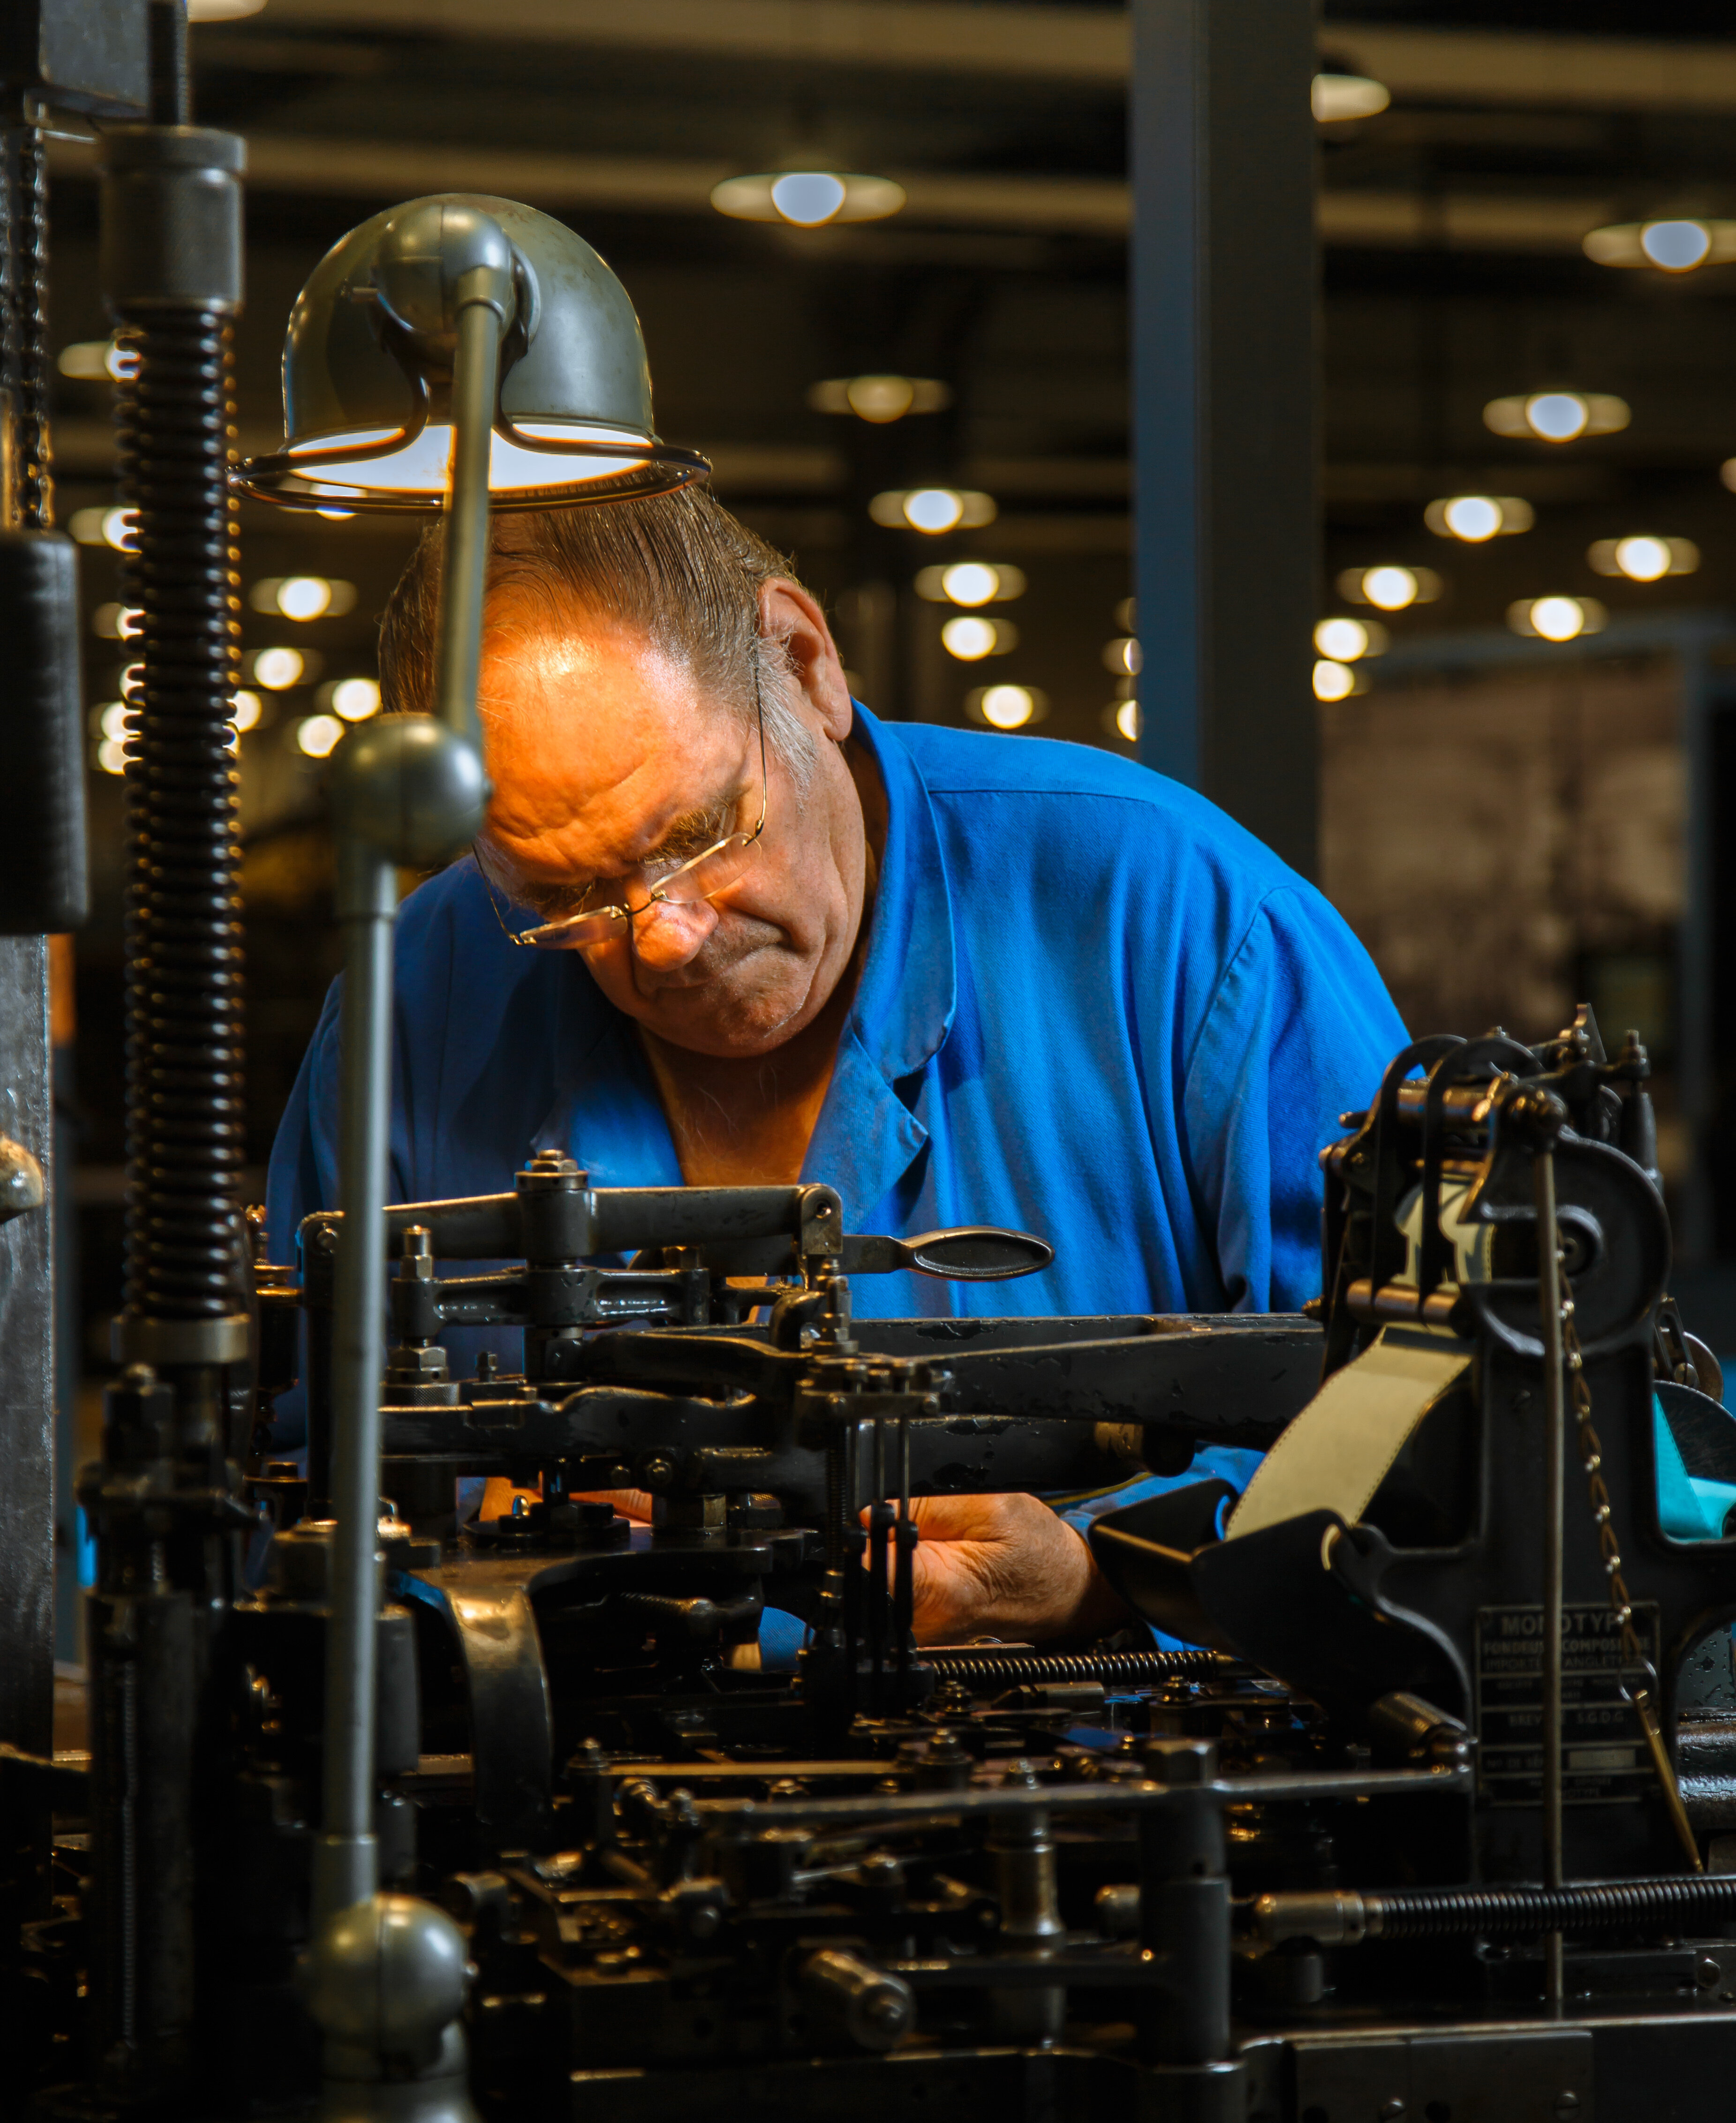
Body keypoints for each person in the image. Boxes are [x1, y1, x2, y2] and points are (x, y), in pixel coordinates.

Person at [267, 487, 1405, 1651]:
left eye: (699, 833)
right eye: (567, 900)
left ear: (806, 666)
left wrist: (1100, 1576)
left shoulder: (1185, 923)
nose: (663, 937)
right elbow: (297, 1477)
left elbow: (1418, 1432)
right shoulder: (416, 1003)